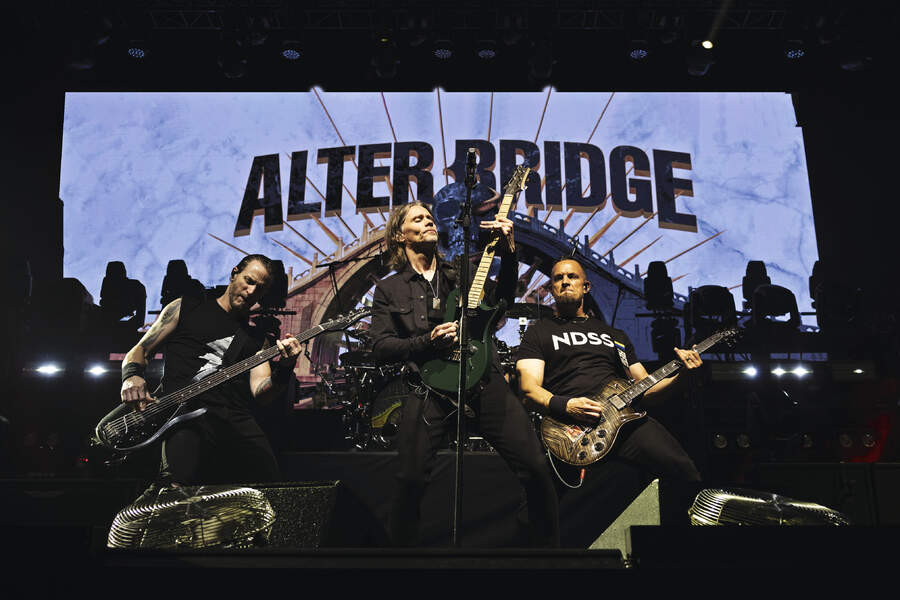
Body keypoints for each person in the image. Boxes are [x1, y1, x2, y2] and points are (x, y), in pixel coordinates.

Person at [369, 201, 560, 547]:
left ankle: (544, 553)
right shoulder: (389, 289)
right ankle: (398, 565)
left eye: (429, 216)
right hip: (428, 388)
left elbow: (502, 300)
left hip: (484, 380)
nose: (428, 221)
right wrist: (426, 340)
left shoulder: (461, 273)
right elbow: (380, 346)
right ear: (400, 236)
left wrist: (510, 251)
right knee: (410, 480)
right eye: (418, 218)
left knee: (535, 468)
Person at [516, 258, 703, 485]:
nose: (565, 282)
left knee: (685, 473)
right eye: (558, 278)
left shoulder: (615, 335)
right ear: (552, 288)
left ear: (586, 287)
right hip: (570, 430)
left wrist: (682, 377)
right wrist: (567, 405)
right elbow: (528, 390)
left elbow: (646, 386)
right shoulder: (538, 333)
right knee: (550, 506)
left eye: (572, 276)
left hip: (624, 421)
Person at [119, 254, 301, 485]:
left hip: (234, 419)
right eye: (249, 281)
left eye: (260, 289)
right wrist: (132, 376)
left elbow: (262, 392)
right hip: (183, 416)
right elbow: (140, 350)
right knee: (177, 493)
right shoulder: (185, 308)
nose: (251, 291)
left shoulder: (256, 338)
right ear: (234, 273)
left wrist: (286, 366)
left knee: (271, 489)